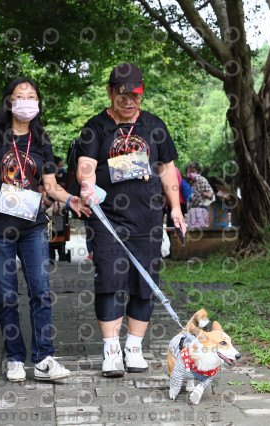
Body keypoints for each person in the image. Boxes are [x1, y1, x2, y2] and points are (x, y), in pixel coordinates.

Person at [0, 77, 91, 383]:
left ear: (38, 103)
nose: (26, 101)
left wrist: (72, 199)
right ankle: (14, 358)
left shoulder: (41, 141)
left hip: (33, 227)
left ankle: (43, 359)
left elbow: (50, 186)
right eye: (19, 95)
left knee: (40, 292)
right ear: (9, 102)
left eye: (32, 96)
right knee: (7, 295)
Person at [76, 62, 186, 377]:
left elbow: (167, 169)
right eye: (122, 95)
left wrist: (176, 208)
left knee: (144, 284)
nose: (128, 102)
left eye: (134, 96)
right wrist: (86, 181)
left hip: (148, 218)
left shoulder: (154, 126)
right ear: (110, 93)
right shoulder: (95, 127)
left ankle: (133, 348)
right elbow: (86, 163)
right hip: (107, 219)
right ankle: (111, 352)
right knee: (110, 281)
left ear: (141, 94)